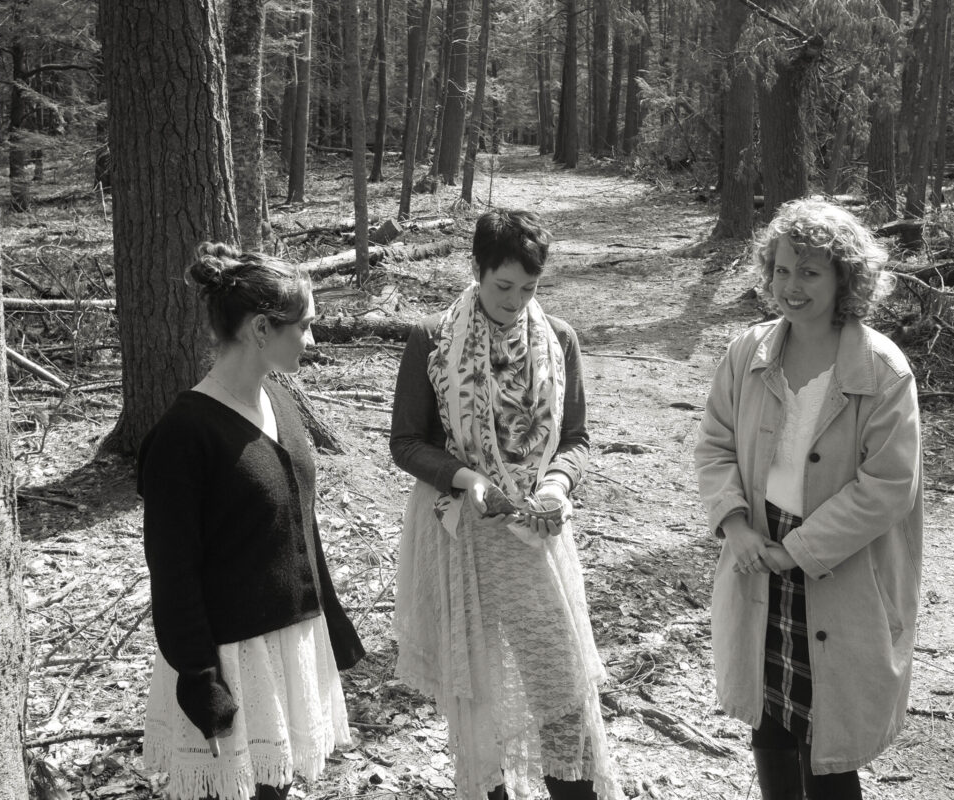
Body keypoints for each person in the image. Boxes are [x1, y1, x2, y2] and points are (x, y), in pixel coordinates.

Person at [694, 198, 923, 799]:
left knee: (828, 736)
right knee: (770, 719)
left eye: (810, 272)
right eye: (782, 270)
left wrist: (798, 550)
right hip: (756, 553)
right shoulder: (748, 353)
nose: (791, 286)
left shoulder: (882, 370)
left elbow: (888, 487)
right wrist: (735, 524)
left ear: (846, 279)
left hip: (841, 569)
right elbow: (715, 443)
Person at [390, 209, 622, 800]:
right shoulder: (431, 338)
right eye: (504, 286)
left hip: (536, 537)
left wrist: (557, 486)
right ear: (476, 268)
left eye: (530, 288)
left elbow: (575, 439)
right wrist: (466, 478)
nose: (516, 302)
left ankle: (574, 791)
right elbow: (406, 442)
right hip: (460, 535)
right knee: (479, 695)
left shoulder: (559, 339)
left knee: (560, 682)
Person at [138, 242, 365, 800]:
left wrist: (331, 622)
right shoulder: (184, 435)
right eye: (304, 326)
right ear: (262, 328)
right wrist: (200, 680)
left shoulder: (281, 406)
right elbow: (172, 572)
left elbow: (301, 527)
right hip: (231, 659)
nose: (311, 340)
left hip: (288, 644)